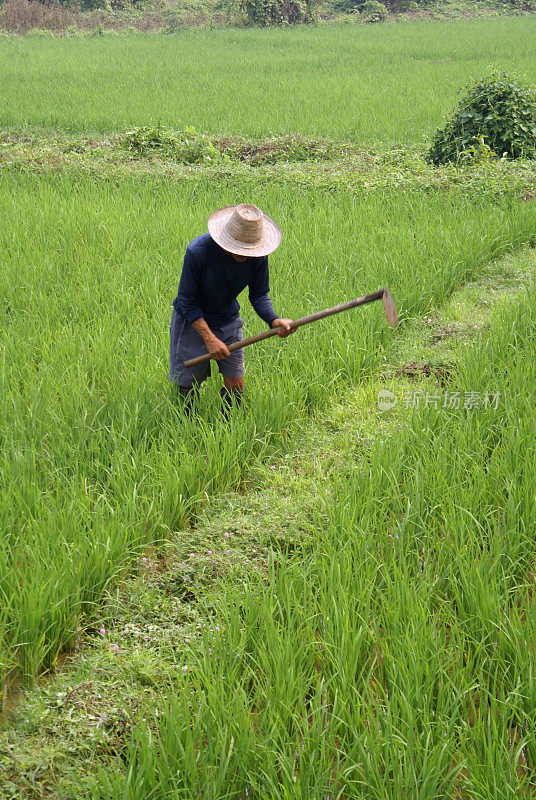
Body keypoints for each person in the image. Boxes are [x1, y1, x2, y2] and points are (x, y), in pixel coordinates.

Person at [170, 203, 293, 412]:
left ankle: (229, 428)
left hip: (227, 320)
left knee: (236, 388)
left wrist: (274, 320)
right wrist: (209, 339)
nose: (245, 254)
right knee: (187, 388)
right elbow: (187, 300)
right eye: (239, 248)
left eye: (250, 249)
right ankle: (186, 428)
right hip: (192, 321)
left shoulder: (257, 257)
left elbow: (259, 294)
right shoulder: (198, 252)